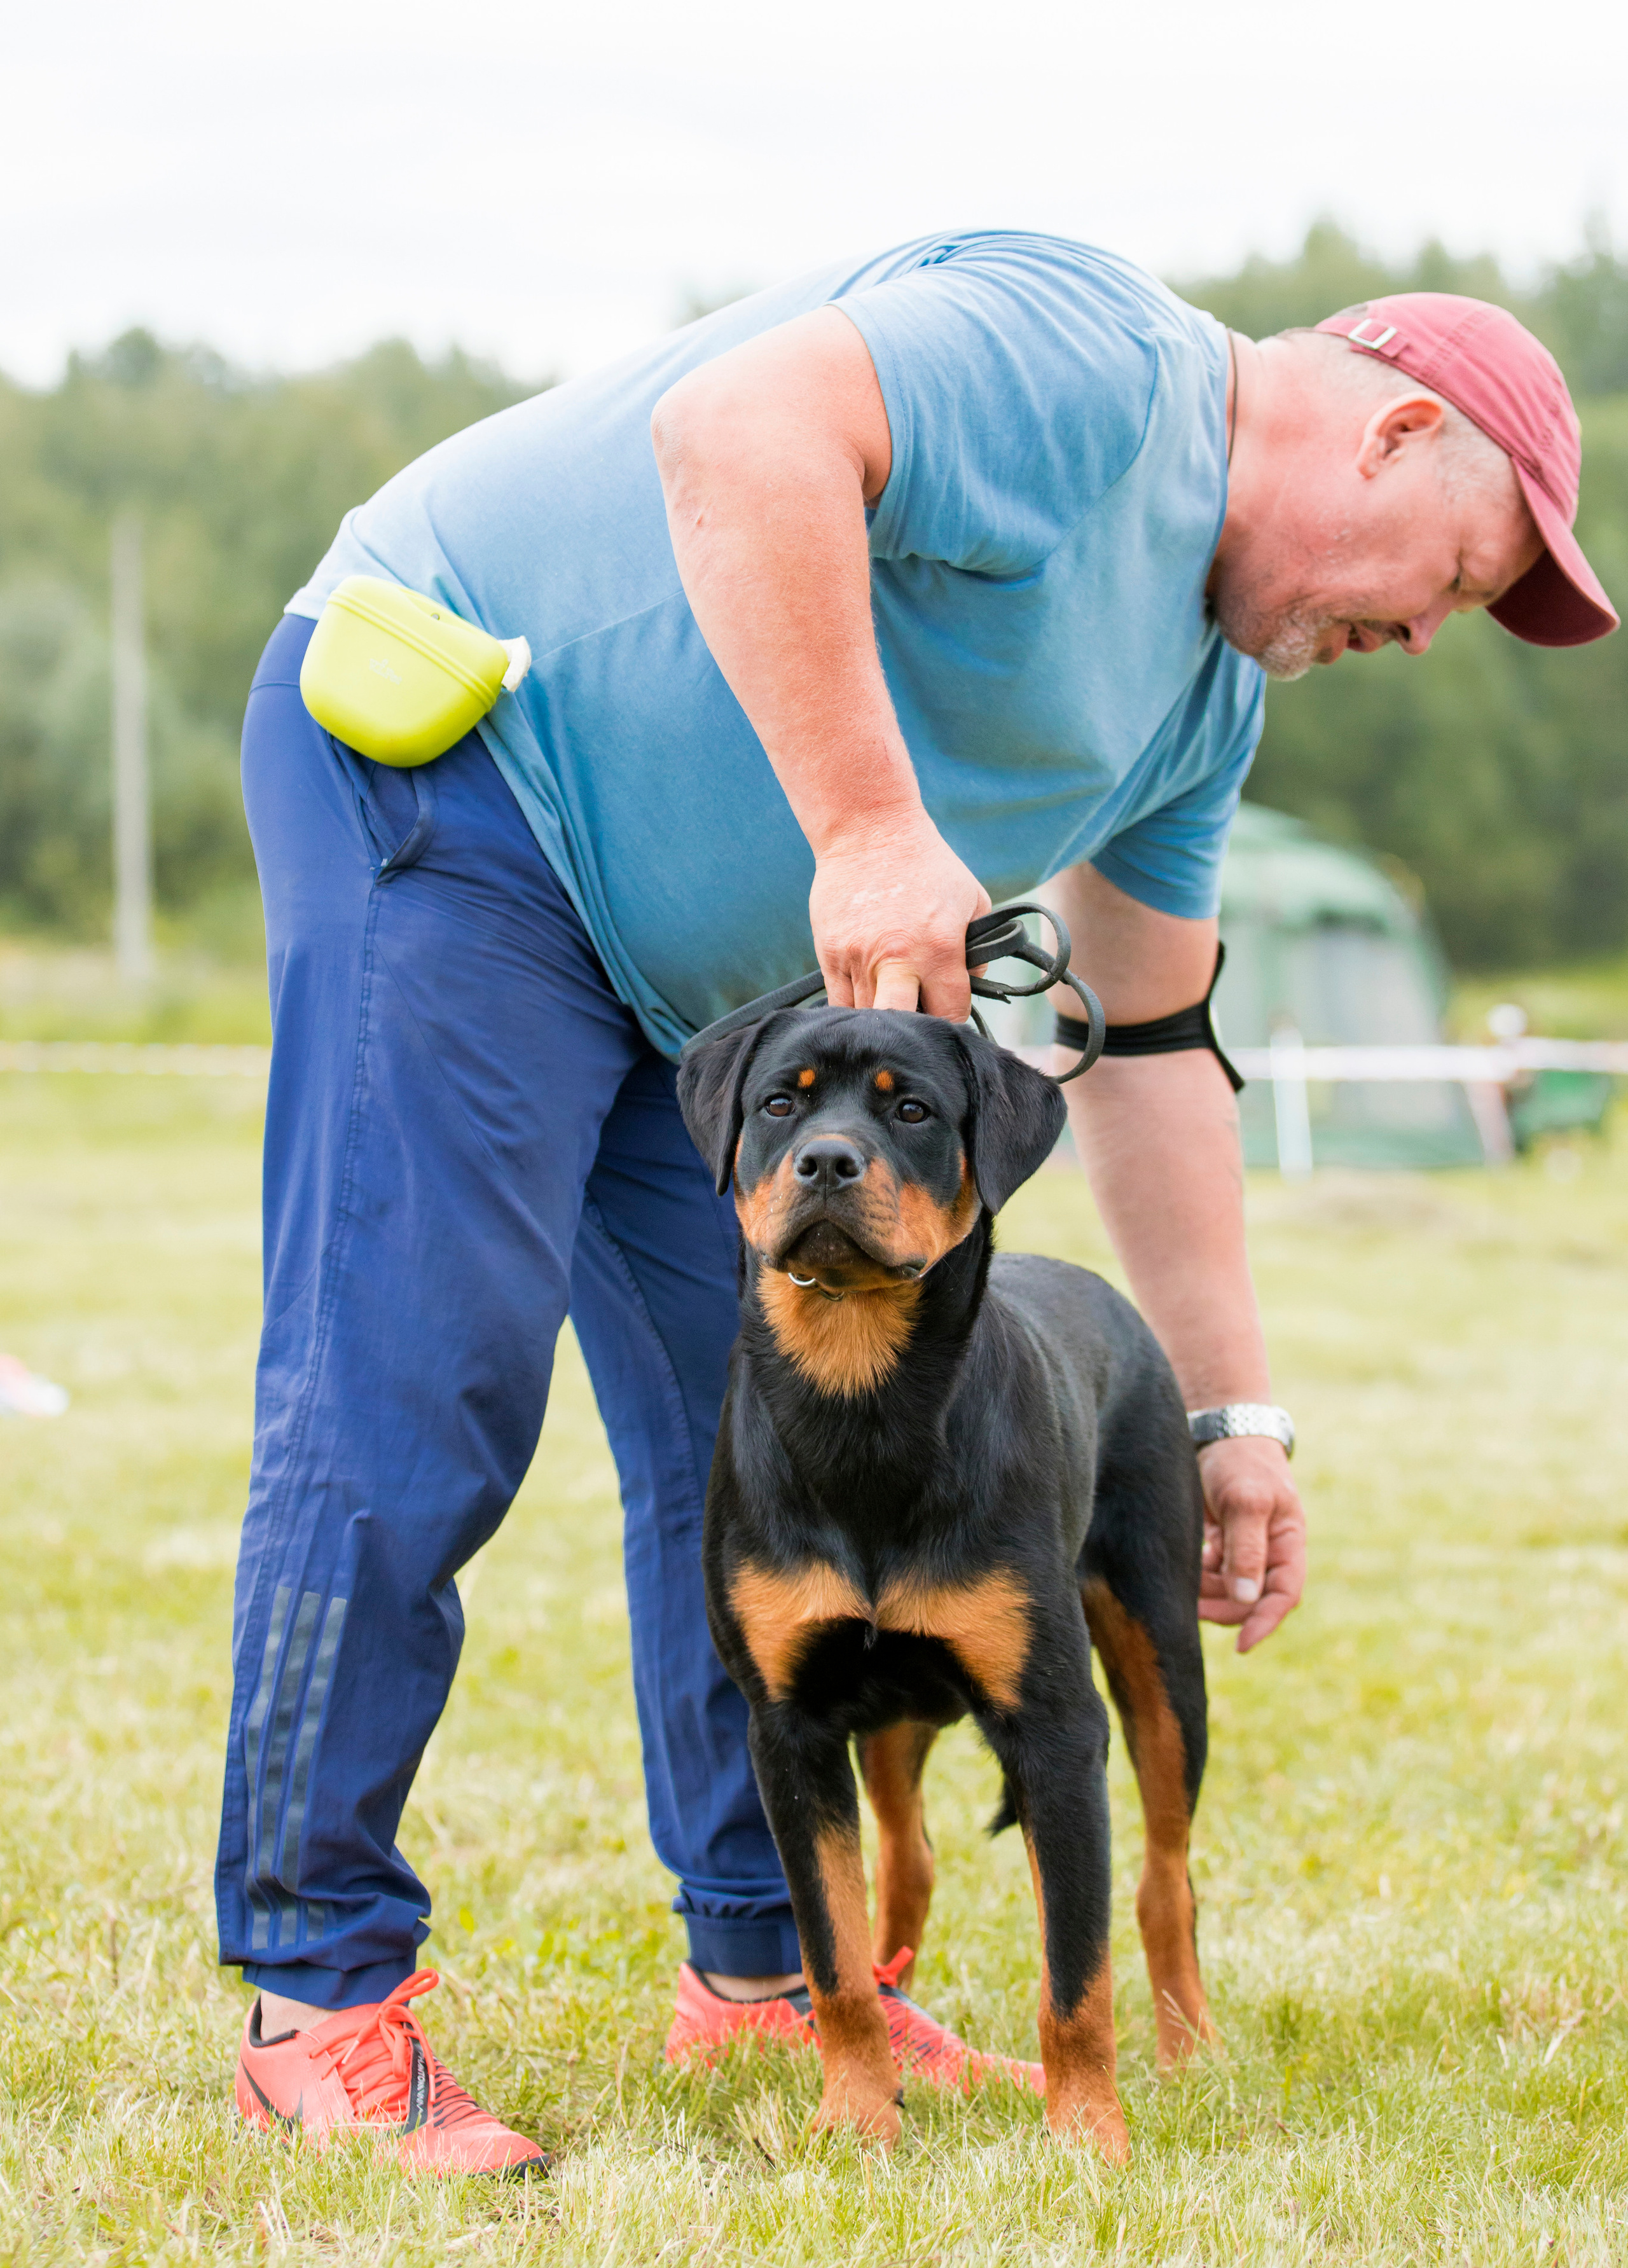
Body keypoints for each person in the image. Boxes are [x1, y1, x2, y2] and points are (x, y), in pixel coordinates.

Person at [219, 239, 1615, 2169]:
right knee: (420, 1376)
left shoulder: (1200, 708)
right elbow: (742, 427)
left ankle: (768, 1970)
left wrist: (1232, 1417)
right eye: (1456, 580)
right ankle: (317, 1996)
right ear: (1392, 436)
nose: (1428, 637)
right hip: (457, 770)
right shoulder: (1097, 364)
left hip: (670, 978)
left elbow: (1144, 1047)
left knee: (760, 1436)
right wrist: (873, 823)